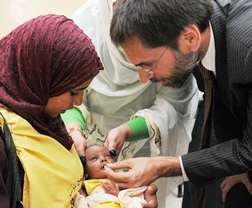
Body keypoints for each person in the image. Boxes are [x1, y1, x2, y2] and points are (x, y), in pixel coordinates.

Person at [0, 14, 157, 208]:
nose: (79, 101)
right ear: (40, 78)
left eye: (84, 91)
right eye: (73, 91)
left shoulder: (43, 120)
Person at [103, 0, 252, 208]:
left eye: (148, 65)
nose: (143, 78)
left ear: (190, 38)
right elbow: (221, 98)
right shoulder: (192, 40)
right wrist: (236, 163)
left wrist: (166, 165)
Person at [61, 1, 199, 206]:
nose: (143, 78)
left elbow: (173, 104)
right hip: (90, 132)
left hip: (149, 143)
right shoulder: (82, 29)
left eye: (148, 65)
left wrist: (128, 131)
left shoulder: (165, 25)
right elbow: (66, 93)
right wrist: (74, 130)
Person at [75, 144, 150, 207]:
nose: (103, 159)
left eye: (107, 156)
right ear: (85, 172)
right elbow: (82, 199)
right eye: (94, 158)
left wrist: (118, 194)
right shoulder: (85, 183)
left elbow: (131, 196)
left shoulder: (122, 179)